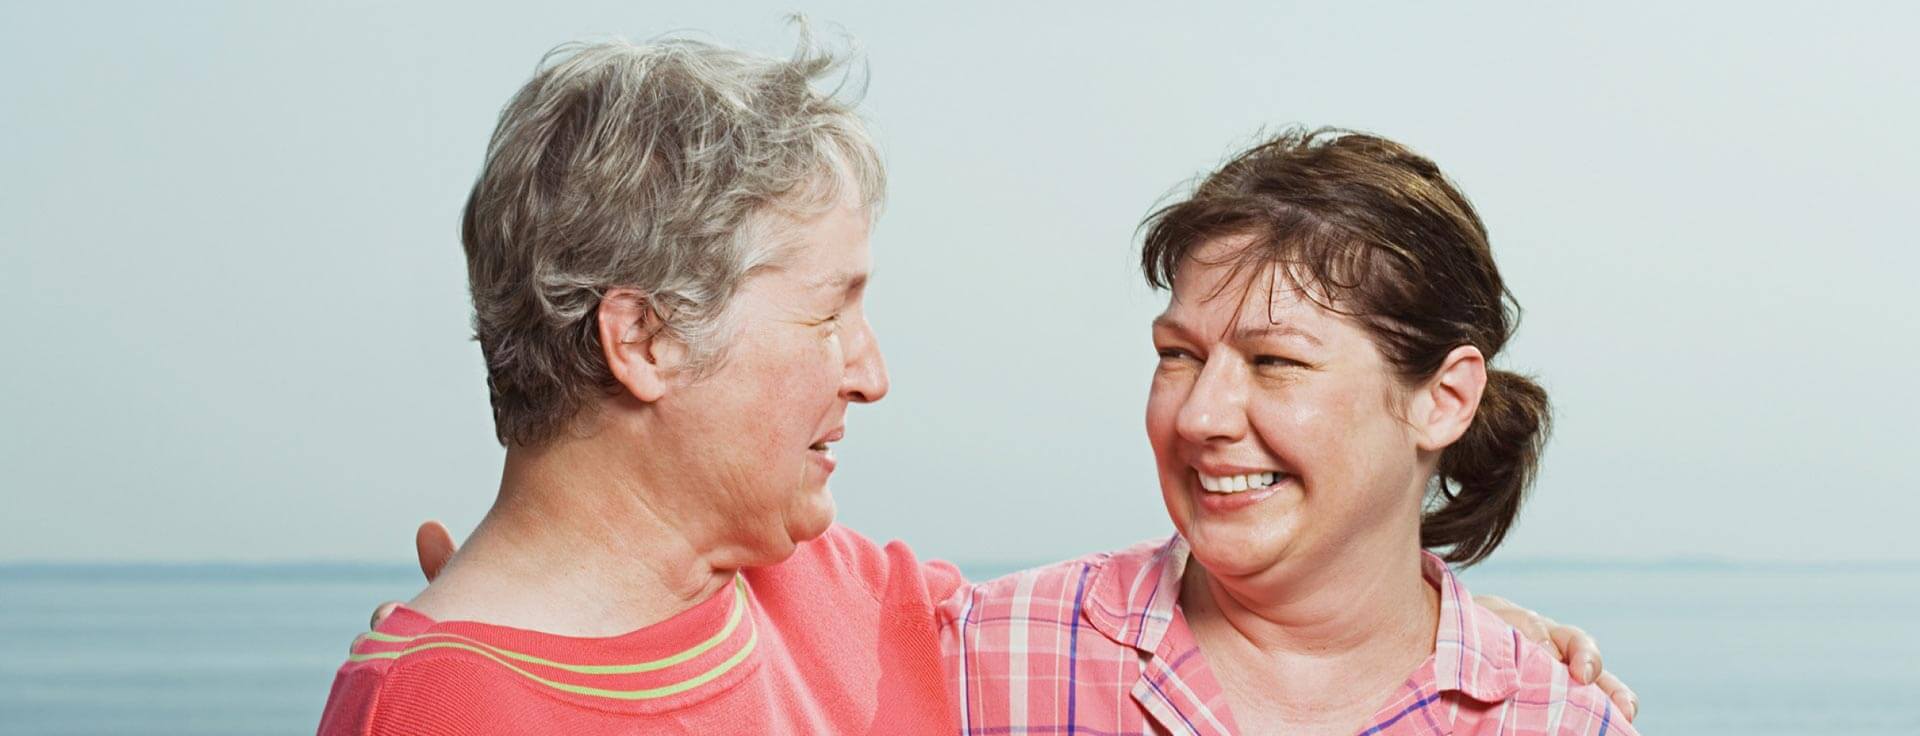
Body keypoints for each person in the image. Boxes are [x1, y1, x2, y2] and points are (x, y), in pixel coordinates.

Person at [321, 30, 1632, 736]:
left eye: (1273, 360)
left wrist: (1451, 621)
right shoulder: (448, 705)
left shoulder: (863, 614)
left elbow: (1305, 613)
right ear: (646, 342)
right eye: (832, 310)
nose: (876, 373)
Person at [945, 129, 1638, 735]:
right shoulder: (980, 656)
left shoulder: (1559, 722)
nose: (1199, 416)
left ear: (1444, 399)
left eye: (1275, 361)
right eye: (1177, 355)